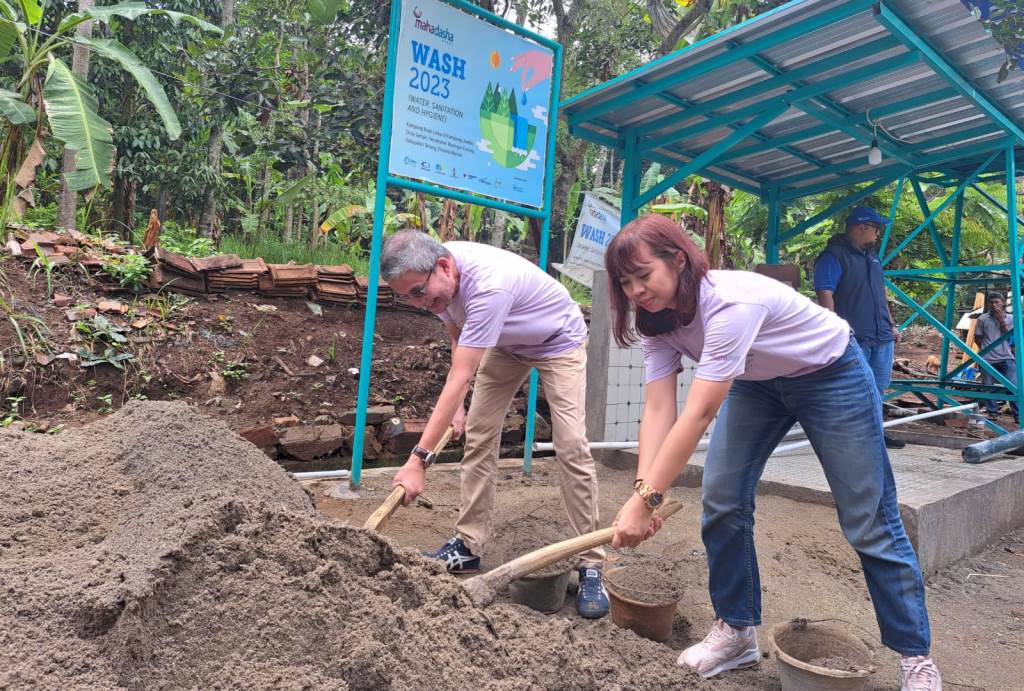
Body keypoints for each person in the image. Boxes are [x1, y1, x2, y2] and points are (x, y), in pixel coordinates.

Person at [604, 215, 941, 690]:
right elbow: (658, 407)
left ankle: (915, 657)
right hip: (758, 384)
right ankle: (737, 631)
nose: (636, 290)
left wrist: (644, 503)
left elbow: (696, 414)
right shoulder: (657, 322)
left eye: (644, 276)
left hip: (830, 372)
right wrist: (644, 493)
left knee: (869, 519)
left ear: (678, 261)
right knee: (721, 500)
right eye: (626, 282)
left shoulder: (728, 304)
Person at [380, 230, 609, 618]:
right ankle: (468, 547)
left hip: (558, 340)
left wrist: (417, 460)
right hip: (506, 344)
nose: (419, 304)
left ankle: (591, 563)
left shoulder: (488, 286)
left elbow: (461, 376)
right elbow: (457, 337)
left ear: (445, 267)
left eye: (418, 293)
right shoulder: (437, 286)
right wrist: (456, 410)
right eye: (408, 297)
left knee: (571, 445)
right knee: (480, 436)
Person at [814, 206, 905, 449]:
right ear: (861, 227)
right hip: (855, 338)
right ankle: (847, 437)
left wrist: (891, 325)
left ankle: (875, 435)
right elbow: (825, 293)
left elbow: (879, 294)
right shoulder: (833, 256)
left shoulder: (872, 258)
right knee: (851, 388)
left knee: (878, 388)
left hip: (882, 336)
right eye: (876, 228)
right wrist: (833, 331)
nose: (878, 234)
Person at [974, 291, 1019, 420]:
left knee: (1013, 386)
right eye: (991, 302)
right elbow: (978, 338)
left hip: (1006, 357)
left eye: (997, 302)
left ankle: (1018, 415)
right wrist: (984, 351)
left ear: (1003, 303)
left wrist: (1001, 321)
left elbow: (1012, 338)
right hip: (987, 358)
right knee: (988, 387)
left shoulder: (1011, 318)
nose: (994, 305)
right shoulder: (983, 319)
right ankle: (992, 413)